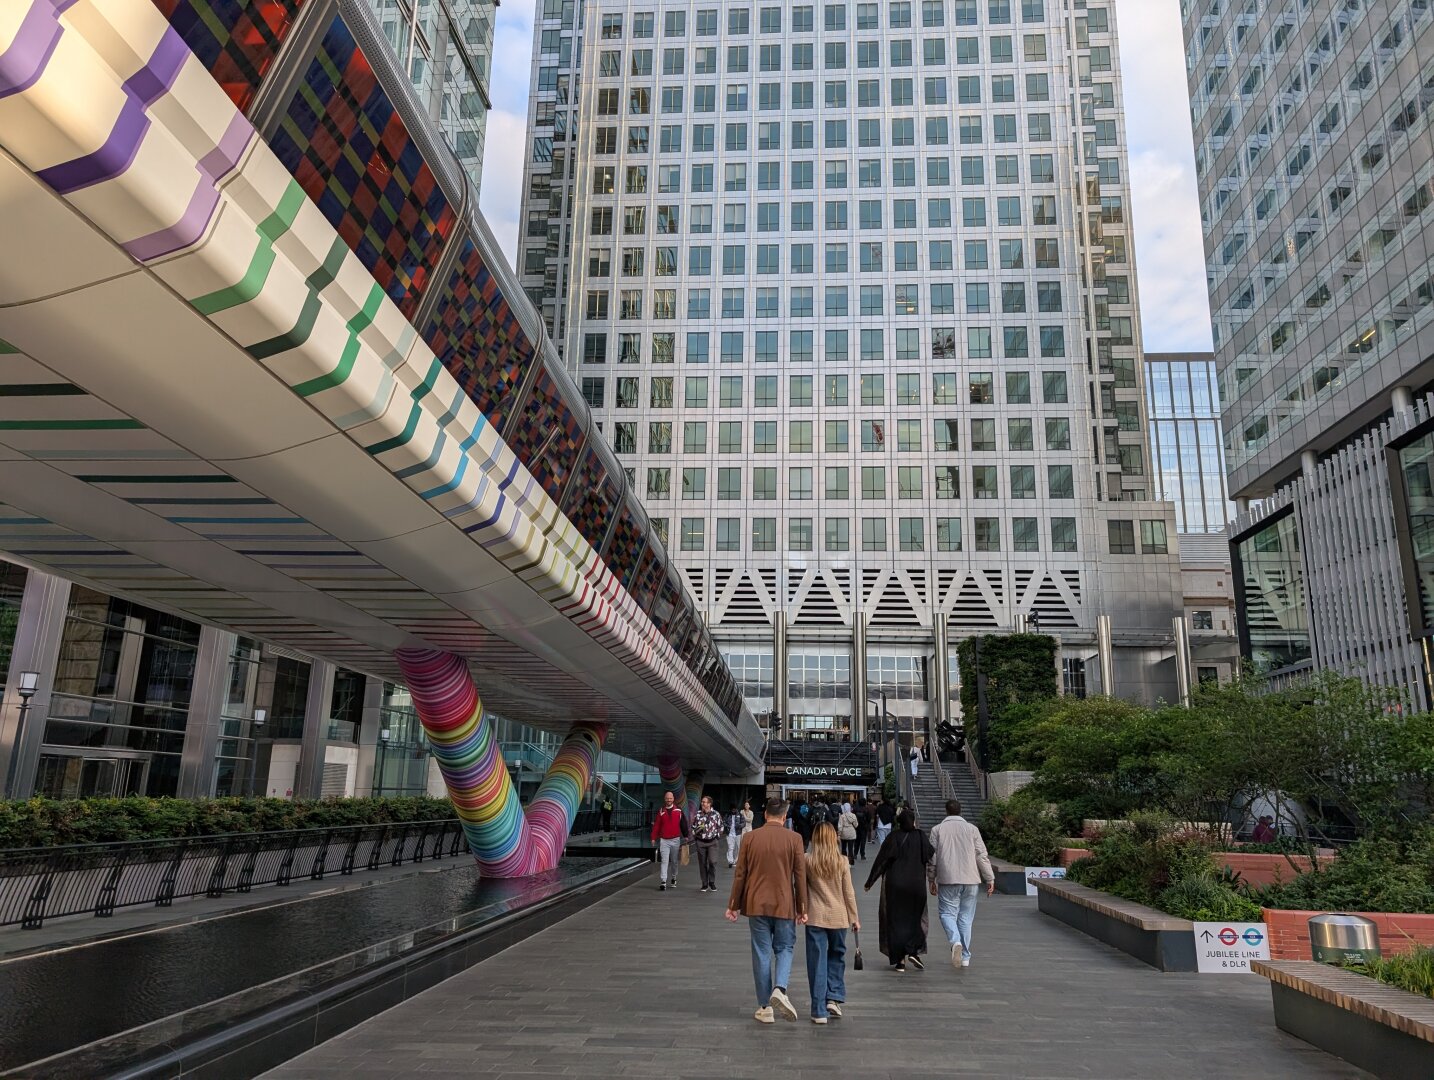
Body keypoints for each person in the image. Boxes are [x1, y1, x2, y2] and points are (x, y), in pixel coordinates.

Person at [726, 797, 809, 1024]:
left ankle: (765, 1007)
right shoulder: (794, 839)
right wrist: (802, 907)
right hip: (784, 903)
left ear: (765, 815)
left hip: (756, 903)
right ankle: (780, 989)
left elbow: (740, 874)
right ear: (784, 816)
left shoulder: (750, 838)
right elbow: (800, 877)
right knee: (785, 948)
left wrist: (733, 905)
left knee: (761, 952)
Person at [864, 809, 934, 973]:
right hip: (916, 885)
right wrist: (932, 878)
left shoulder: (893, 837)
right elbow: (930, 855)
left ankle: (900, 961)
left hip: (895, 885)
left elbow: (882, 860)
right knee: (915, 918)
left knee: (896, 921)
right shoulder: (920, 836)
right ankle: (913, 950)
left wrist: (870, 881)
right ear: (913, 821)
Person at [927, 799, 994, 968]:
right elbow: (981, 855)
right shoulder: (972, 829)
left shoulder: (937, 830)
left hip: (948, 879)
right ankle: (965, 956)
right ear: (960, 811)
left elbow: (932, 857)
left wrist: (931, 879)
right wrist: (990, 878)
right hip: (971, 879)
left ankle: (955, 941)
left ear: (946, 811)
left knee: (947, 914)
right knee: (965, 918)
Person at [804, 822, 859, 1024]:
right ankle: (833, 998)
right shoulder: (842, 861)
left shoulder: (807, 860)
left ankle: (818, 1010)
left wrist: (801, 910)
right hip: (839, 916)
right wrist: (854, 918)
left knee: (816, 962)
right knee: (837, 955)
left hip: (815, 916)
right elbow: (849, 893)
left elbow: (800, 888)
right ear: (833, 838)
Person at [649, 790, 690, 890]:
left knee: (674, 861)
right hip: (664, 841)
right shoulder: (661, 811)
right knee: (664, 861)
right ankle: (663, 881)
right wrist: (653, 837)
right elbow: (657, 825)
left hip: (675, 840)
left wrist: (686, 835)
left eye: (670, 798)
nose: (669, 800)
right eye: (667, 798)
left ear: (673, 799)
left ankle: (674, 877)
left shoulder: (678, 810)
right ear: (665, 799)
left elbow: (683, 823)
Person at [692, 795, 724, 892]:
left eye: (704, 802)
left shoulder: (716, 814)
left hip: (712, 842)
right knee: (702, 863)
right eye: (702, 802)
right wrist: (695, 834)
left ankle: (712, 882)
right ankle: (705, 883)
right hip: (701, 842)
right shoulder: (697, 814)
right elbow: (693, 827)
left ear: (709, 804)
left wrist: (717, 836)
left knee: (712, 862)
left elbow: (721, 826)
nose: (702, 803)